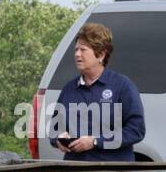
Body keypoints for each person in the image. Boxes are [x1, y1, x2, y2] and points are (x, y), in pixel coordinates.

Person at [53, 22, 145, 161]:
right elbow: (54, 128)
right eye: (76, 49)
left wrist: (95, 141)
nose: (77, 54)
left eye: (83, 50)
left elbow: (136, 130)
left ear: (101, 55)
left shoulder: (122, 86)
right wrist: (58, 138)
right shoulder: (69, 89)